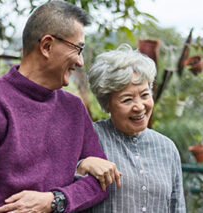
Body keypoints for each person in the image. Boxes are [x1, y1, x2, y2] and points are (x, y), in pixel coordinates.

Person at [0, 1, 121, 212]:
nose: (81, 62)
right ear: (47, 46)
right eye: (78, 49)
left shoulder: (74, 108)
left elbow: (101, 183)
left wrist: (54, 200)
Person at [76, 44, 186, 212]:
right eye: (127, 100)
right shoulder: (88, 137)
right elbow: (55, 185)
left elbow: (177, 207)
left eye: (144, 95)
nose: (139, 107)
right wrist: (81, 165)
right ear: (107, 104)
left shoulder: (167, 148)